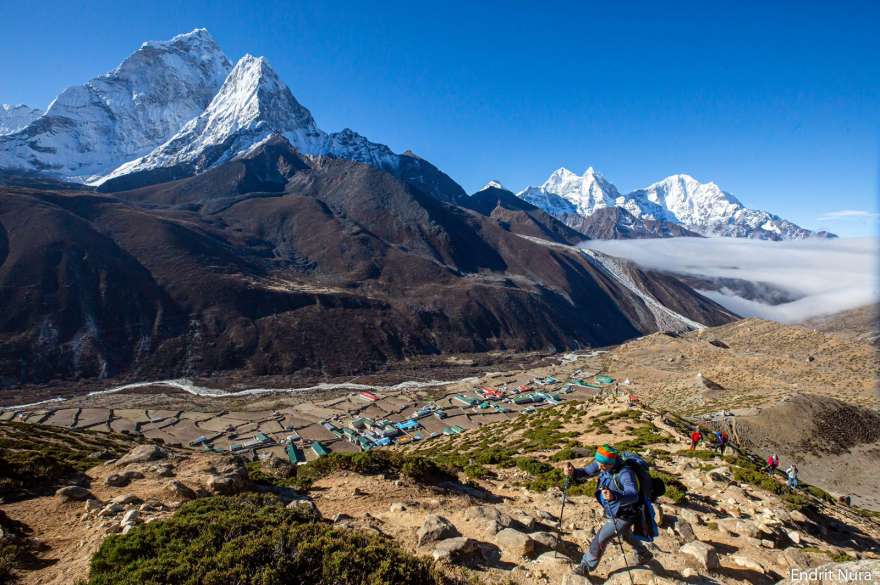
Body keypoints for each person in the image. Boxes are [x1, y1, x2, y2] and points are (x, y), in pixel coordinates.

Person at [563, 444, 652, 576]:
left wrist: (615, 496)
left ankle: (586, 566)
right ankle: (644, 553)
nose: (600, 467)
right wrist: (573, 472)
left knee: (602, 537)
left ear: (612, 463)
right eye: (598, 463)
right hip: (614, 509)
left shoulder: (625, 473)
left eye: (603, 465)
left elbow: (633, 494)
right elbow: (587, 472)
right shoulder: (603, 463)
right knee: (625, 533)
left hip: (626, 513)